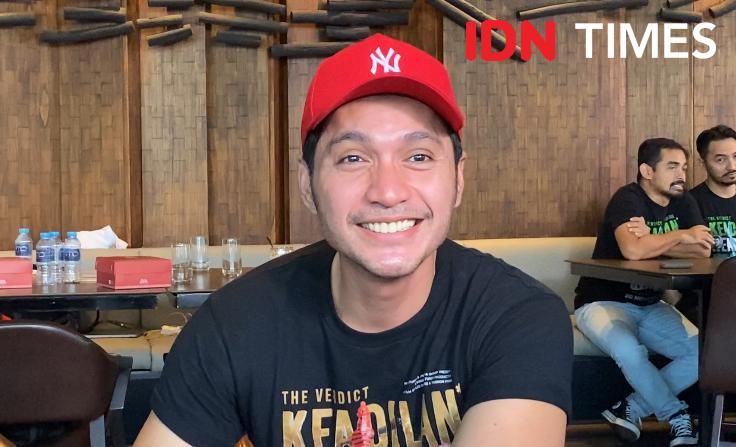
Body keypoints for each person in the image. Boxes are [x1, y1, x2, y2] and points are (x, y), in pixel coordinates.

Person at [134, 34, 572, 446]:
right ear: (307, 186)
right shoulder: (238, 322)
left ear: (458, 179)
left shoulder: (515, 316)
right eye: (353, 158)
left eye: (419, 156)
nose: (388, 191)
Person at [575, 138, 713, 447]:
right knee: (629, 351)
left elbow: (703, 250)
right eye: (672, 167)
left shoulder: (684, 201)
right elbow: (633, 250)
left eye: (684, 168)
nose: (681, 175)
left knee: (704, 353)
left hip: (652, 304)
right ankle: (676, 415)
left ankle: (630, 409)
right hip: (602, 302)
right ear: (647, 171)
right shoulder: (627, 200)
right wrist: (681, 236)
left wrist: (654, 238)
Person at [691, 125, 736, 256]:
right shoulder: (690, 202)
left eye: (735, 156)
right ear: (703, 163)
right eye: (720, 160)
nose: (731, 166)